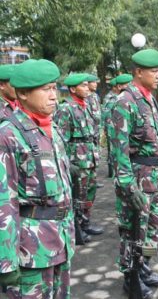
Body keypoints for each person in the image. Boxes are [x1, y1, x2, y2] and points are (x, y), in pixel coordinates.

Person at [0, 59, 75, 298]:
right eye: (45, 89)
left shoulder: (52, 129)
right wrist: (6, 262)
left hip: (60, 239)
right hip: (30, 250)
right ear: (22, 93)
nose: (53, 95)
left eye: (54, 88)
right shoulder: (9, 136)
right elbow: (4, 203)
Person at [109, 49, 158, 297]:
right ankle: (130, 277)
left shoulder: (149, 99)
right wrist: (128, 187)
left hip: (153, 178)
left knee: (152, 230)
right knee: (133, 232)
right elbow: (119, 150)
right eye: (153, 71)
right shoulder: (125, 102)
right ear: (138, 72)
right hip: (137, 180)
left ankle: (144, 266)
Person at [53, 73, 104, 243]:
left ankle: (85, 223)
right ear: (73, 89)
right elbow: (60, 140)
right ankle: (75, 228)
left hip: (89, 157)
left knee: (89, 194)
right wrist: (67, 162)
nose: (87, 88)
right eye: (83, 86)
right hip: (77, 160)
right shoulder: (65, 109)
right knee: (77, 196)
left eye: (87, 85)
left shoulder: (85, 105)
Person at [102, 74, 133, 178]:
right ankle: (115, 170)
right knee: (114, 151)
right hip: (113, 128)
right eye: (127, 84)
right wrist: (107, 130)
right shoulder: (110, 98)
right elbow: (106, 115)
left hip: (123, 128)